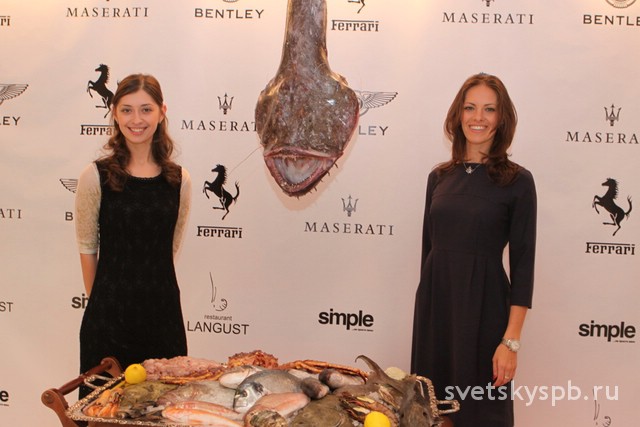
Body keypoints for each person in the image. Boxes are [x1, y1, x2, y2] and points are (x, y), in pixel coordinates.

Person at [411, 73, 536, 427]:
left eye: (489, 109)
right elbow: (428, 252)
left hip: (485, 314)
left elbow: (523, 266)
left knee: (482, 413)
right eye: (470, 107)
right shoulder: (439, 178)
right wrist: (427, 313)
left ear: (501, 118)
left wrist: (510, 342)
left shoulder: (517, 181)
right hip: (436, 311)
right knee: (432, 413)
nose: (478, 117)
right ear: (458, 114)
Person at [75, 74, 191, 397]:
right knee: (101, 413)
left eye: (146, 109)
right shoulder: (95, 176)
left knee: (163, 411)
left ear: (162, 112)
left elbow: (169, 250)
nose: (136, 120)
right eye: (126, 110)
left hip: (164, 321)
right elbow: (87, 248)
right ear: (114, 113)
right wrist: (100, 307)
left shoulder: (179, 180)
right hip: (107, 323)